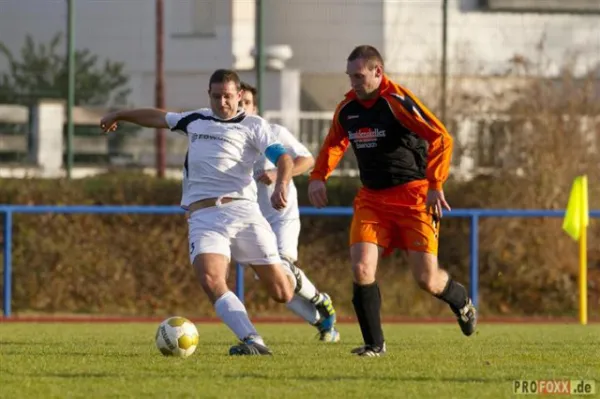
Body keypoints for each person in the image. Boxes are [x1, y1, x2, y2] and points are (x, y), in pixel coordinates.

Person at [100, 69, 297, 356]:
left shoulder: (255, 126)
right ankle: (253, 341)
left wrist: (282, 183)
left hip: (243, 213)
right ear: (209, 95)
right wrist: (120, 114)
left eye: (228, 96)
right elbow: (158, 117)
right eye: (216, 96)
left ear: (239, 95)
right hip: (204, 217)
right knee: (210, 279)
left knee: (283, 294)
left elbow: (285, 159)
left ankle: (293, 275)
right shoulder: (196, 119)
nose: (222, 102)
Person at [308, 45, 477, 357]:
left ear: (377, 72)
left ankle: (460, 299)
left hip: (414, 197)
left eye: (359, 76)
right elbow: (334, 142)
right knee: (361, 268)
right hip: (372, 200)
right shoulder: (347, 110)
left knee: (427, 279)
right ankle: (375, 344)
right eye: (350, 77)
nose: (354, 83)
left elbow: (441, 138)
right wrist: (319, 176)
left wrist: (435, 184)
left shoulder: (396, 101)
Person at [239, 82, 340, 343]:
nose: (241, 107)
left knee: (282, 267)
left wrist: (278, 174)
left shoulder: (272, 132)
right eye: (237, 102)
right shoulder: (229, 141)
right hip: (252, 222)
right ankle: (322, 321)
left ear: (255, 107)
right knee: (274, 283)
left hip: (281, 217)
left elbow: (306, 160)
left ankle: (319, 301)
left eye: (246, 102)